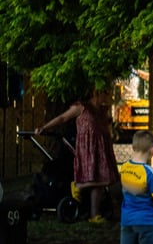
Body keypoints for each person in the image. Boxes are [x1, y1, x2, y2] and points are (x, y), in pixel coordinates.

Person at [36, 86, 119, 224]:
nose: (108, 97)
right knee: (91, 179)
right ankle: (78, 188)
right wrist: (45, 127)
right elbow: (63, 117)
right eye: (106, 93)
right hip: (88, 149)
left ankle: (94, 214)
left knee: (101, 181)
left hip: (101, 149)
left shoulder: (103, 111)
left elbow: (106, 129)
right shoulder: (82, 107)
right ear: (96, 93)